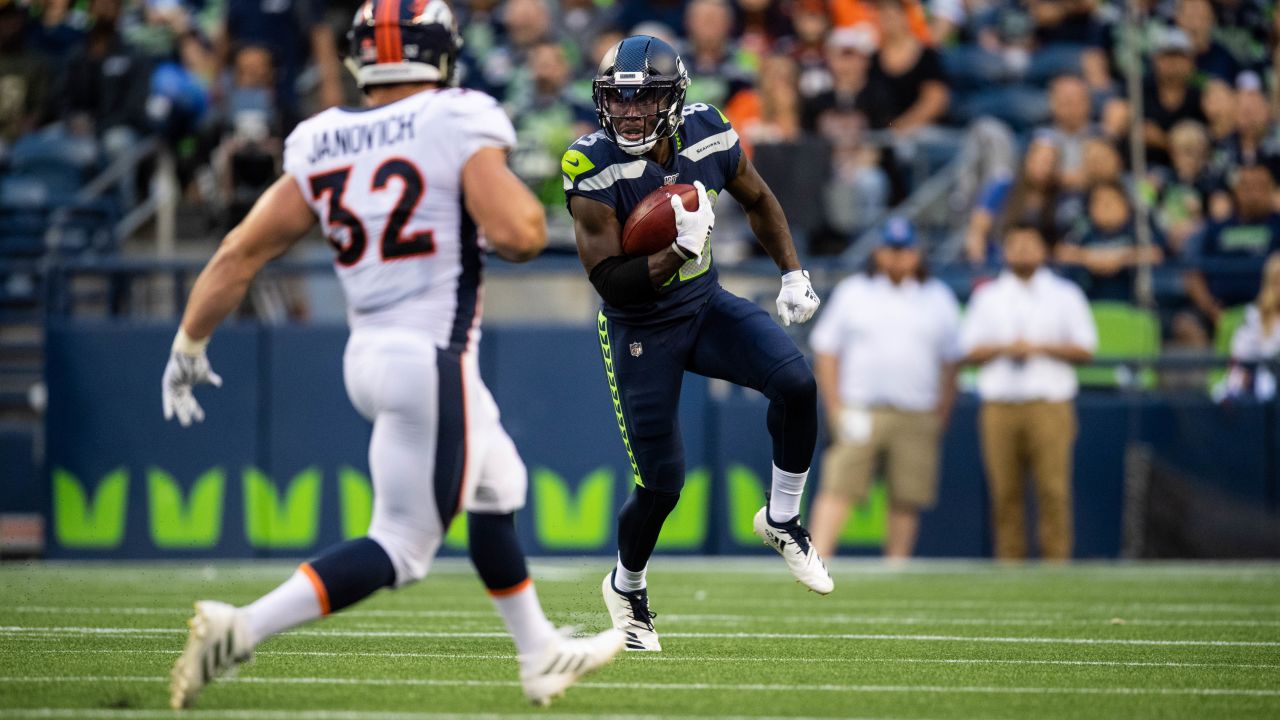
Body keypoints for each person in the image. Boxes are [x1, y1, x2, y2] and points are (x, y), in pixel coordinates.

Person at [162, 1, 622, 709]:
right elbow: (521, 235)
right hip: (427, 355)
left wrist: (189, 343)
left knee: (498, 484)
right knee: (403, 547)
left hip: (375, 354)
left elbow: (241, 250)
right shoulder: (456, 115)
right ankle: (242, 627)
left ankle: (540, 654)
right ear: (441, 53)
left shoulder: (323, 137)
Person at [562, 35, 833, 652]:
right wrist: (677, 250)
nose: (630, 112)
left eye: (645, 98)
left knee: (796, 381)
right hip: (639, 328)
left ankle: (783, 519)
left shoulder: (708, 129)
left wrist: (792, 271)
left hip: (704, 305)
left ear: (673, 99)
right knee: (662, 486)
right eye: (618, 100)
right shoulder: (589, 163)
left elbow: (759, 199)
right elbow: (610, 282)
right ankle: (626, 586)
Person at [808, 218, 961, 562]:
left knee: (907, 497)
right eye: (891, 250)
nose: (897, 258)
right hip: (861, 407)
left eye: (904, 250)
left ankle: (897, 567)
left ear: (916, 253)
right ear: (878, 252)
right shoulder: (854, 292)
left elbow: (952, 362)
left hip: (917, 411)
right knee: (838, 487)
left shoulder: (937, 297)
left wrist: (941, 414)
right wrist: (836, 408)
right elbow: (827, 351)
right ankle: (816, 561)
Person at [961, 223, 1097, 561]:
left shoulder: (1065, 294)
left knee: (1053, 489)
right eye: (1015, 244)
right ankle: (1010, 563)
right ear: (1004, 251)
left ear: (1043, 249)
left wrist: (1038, 348)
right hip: (1000, 404)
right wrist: (1006, 348)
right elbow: (967, 351)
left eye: (1030, 243)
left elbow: (1086, 349)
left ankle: (1056, 562)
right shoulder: (988, 296)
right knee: (1004, 491)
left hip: (1049, 403)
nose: (1022, 250)